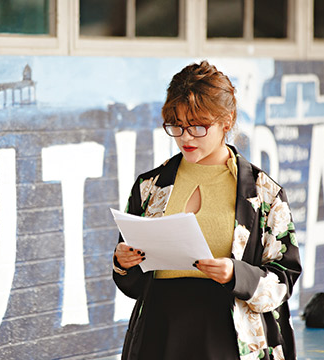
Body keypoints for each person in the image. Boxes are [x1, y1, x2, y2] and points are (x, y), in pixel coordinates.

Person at [112, 60, 301, 360]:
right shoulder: (149, 187)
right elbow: (133, 283)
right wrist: (123, 262)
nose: (185, 137)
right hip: (159, 337)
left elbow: (284, 278)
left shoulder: (264, 193)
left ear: (227, 121)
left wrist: (235, 274)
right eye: (176, 125)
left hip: (228, 338)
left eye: (199, 126)